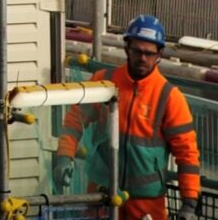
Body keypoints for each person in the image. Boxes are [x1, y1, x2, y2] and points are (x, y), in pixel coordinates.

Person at [62, 15, 201, 220]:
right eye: (137, 51)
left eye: (149, 53)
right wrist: (64, 156)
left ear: (159, 54)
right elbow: (74, 120)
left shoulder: (169, 97)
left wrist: (189, 202)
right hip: (102, 194)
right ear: (127, 48)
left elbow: (186, 152)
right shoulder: (104, 81)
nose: (143, 58)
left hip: (146, 202)